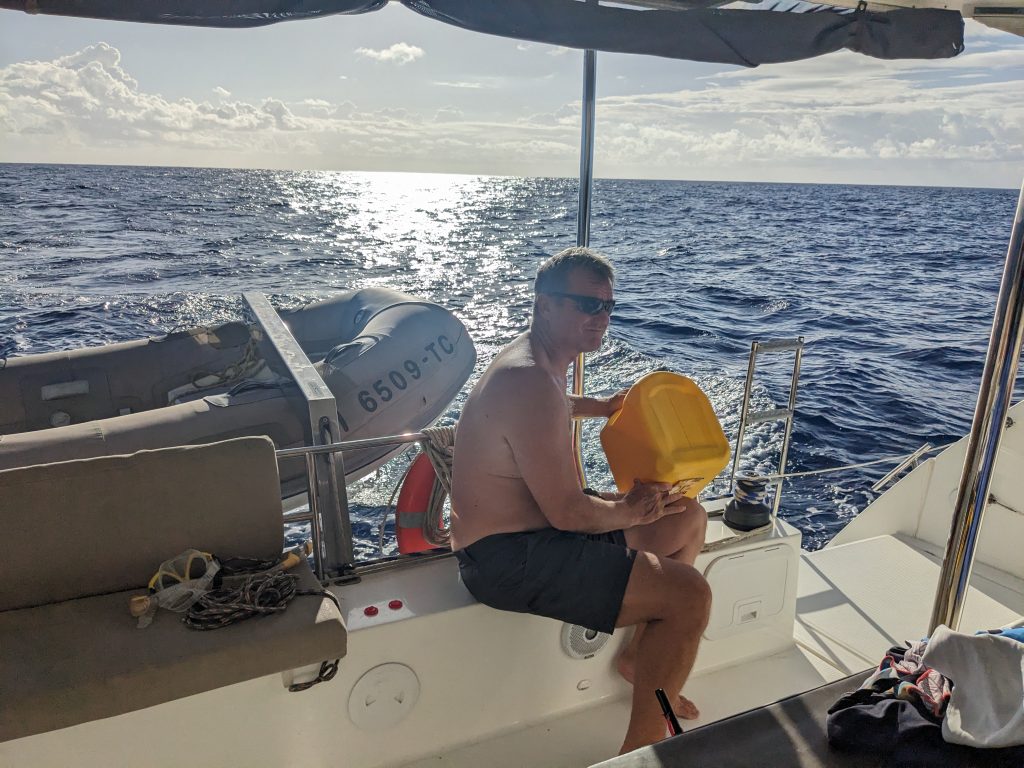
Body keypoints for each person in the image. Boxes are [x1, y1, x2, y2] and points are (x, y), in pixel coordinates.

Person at [450, 246, 712, 754]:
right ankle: (642, 752)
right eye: (586, 305)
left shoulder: (541, 365)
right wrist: (630, 509)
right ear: (545, 305)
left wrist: (604, 407)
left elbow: (554, 405)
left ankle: (639, 660)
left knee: (688, 518)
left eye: (608, 307)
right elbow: (568, 513)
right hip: (505, 558)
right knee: (690, 595)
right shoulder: (527, 379)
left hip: (538, 536)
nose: (601, 318)